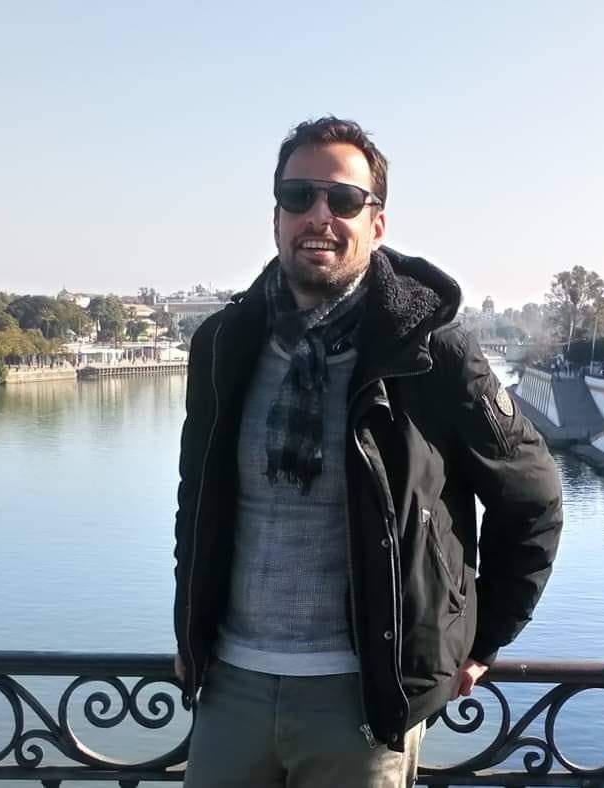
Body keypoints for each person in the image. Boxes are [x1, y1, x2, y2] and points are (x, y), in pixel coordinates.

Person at [173, 116, 562, 787]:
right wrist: (189, 629)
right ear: (276, 218)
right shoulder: (223, 343)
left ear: (376, 224)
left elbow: (533, 499)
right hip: (230, 687)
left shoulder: (429, 352)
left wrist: (481, 639)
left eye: (344, 199)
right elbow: (197, 496)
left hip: (365, 700)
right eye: (299, 196)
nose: (319, 216)